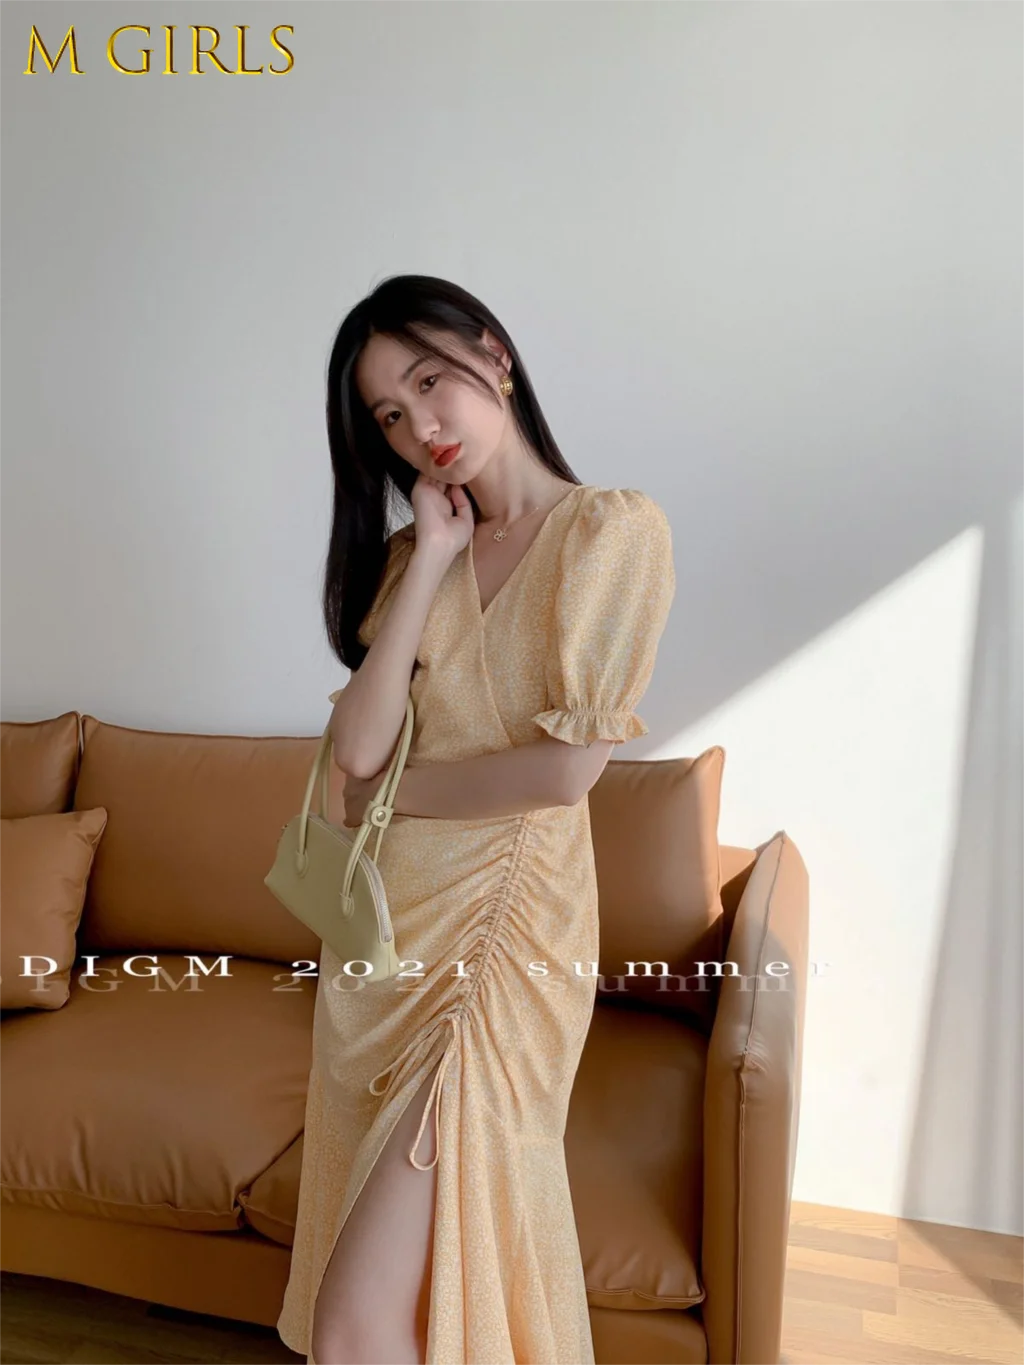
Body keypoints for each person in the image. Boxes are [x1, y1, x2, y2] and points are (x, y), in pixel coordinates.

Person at [275, 273, 676, 1365]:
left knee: (354, 1326)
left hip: (507, 935)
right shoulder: (417, 559)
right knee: (395, 1311)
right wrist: (433, 564)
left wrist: (396, 795)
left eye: (428, 382)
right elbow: (356, 750)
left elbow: (564, 773)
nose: (420, 427)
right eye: (388, 416)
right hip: (385, 939)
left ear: (493, 355)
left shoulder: (608, 533)